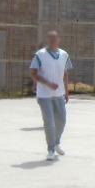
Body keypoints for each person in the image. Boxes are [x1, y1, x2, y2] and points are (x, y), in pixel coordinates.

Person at [29, 30, 73, 161]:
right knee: (49, 122)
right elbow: (33, 73)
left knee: (62, 120)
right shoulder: (40, 55)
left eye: (55, 39)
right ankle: (51, 149)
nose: (53, 41)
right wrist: (47, 84)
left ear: (59, 40)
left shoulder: (64, 54)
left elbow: (65, 74)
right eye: (50, 39)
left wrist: (67, 91)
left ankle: (56, 142)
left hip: (59, 93)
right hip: (44, 95)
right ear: (47, 40)